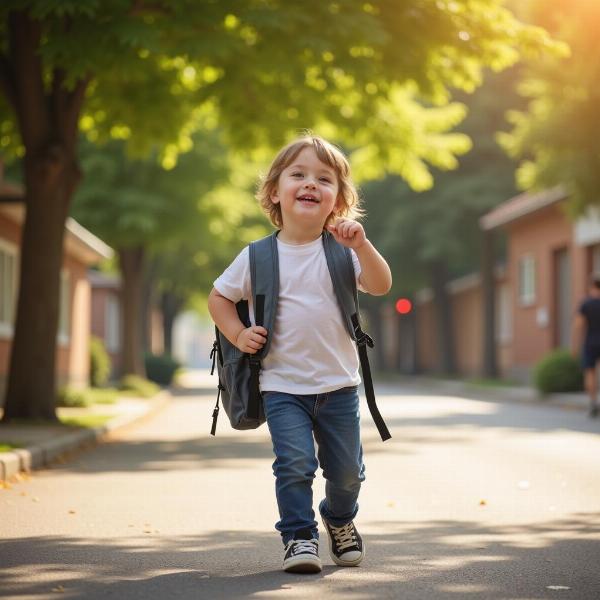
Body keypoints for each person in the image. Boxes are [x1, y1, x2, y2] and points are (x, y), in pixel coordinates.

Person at [207, 135, 392, 573]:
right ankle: (299, 536)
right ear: (275, 191)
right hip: (281, 385)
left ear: (338, 201)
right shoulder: (256, 256)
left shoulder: (344, 253)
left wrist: (362, 245)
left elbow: (381, 284)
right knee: (294, 464)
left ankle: (338, 518)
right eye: (298, 175)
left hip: (340, 385)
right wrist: (237, 333)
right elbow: (217, 298)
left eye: (324, 179)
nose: (311, 183)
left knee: (347, 474)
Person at [572, 274, 600, 418]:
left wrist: (575, 346)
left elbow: (578, 326)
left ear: (591, 287)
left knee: (590, 373)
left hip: (590, 342)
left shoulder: (586, 304)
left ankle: (593, 403)